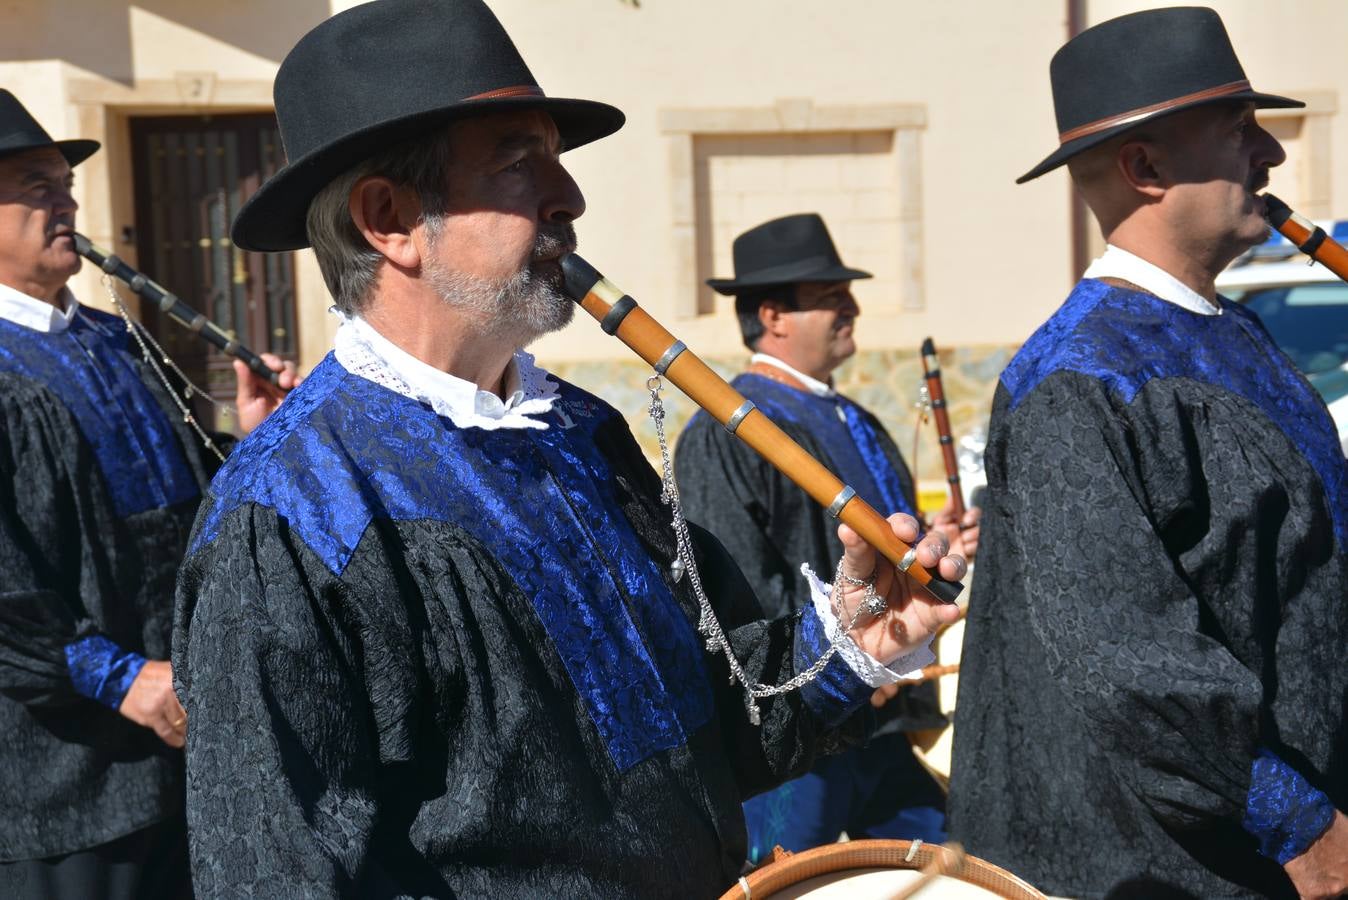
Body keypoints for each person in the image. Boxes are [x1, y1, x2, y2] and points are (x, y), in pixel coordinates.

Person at [172, 1, 965, 897]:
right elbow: (279, 874)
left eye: (556, 155)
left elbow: (709, 740)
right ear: (388, 219)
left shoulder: (582, 432)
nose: (571, 196)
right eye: (519, 162)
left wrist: (854, 639)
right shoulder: (290, 512)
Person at [948, 8, 1348, 898]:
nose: (1272, 154)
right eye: (1239, 128)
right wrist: (1302, 825)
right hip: (1173, 872)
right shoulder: (1077, 379)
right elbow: (1133, 666)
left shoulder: (1238, 332)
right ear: (1145, 166)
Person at [0, 91, 295, 899]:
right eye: (36, 185)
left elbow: (186, 501)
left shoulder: (109, 338)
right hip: (62, 782)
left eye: (65, 183)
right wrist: (115, 675)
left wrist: (253, 438)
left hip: (183, 750)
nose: (65, 201)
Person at [675, 213, 979, 860]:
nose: (853, 308)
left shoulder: (854, 416)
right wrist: (841, 669)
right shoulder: (730, 430)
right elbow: (738, 596)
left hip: (885, 723)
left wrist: (932, 543)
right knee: (787, 883)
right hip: (802, 737)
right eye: (830, 297)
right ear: (773, 316)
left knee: (932, 875)